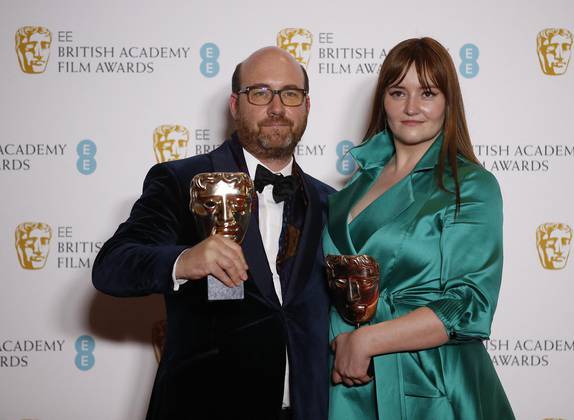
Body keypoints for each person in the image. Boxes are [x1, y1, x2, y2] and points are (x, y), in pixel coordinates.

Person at [92, 46, 334, 420]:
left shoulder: (329, 201)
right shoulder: (180, 180)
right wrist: (184, 260)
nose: (277, 107)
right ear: (235, 105)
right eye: (260, 93)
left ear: (306, 106)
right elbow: (112, 266)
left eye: (290, 93)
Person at [324, 37, 515, 419]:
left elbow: (468, 304)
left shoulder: (470, 185)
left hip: (431, 382)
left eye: (427, 92)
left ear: (448, 102)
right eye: (398, 92)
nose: (411, 107)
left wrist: (366, 341)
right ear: (384, 100)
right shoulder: (350, 189)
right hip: (348, 383)